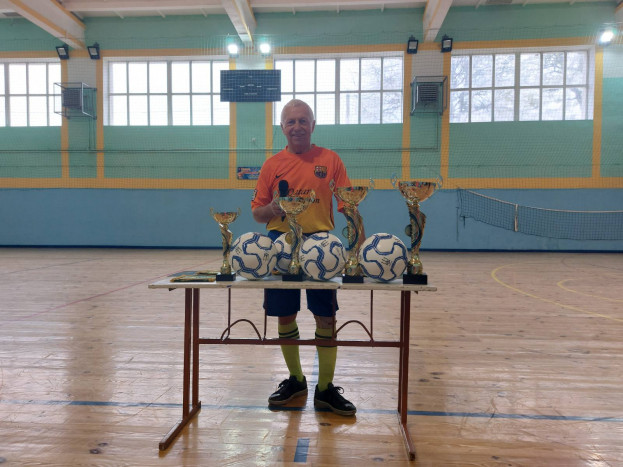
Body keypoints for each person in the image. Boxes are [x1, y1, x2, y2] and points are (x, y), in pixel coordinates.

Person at [251, 99, 357, 416]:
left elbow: (349, 205)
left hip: (322, 248)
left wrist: (358, 247)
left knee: (326, 317)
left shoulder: (330, 160)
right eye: (290, 121)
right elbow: (257, 212)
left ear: (313, 125)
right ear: (282, 128)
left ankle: (325, 389)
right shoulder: (271, 165)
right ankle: (296, 380)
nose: (297, 126)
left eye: (302, 120)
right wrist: (272, 209)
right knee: (285, 316)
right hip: (280, 246)